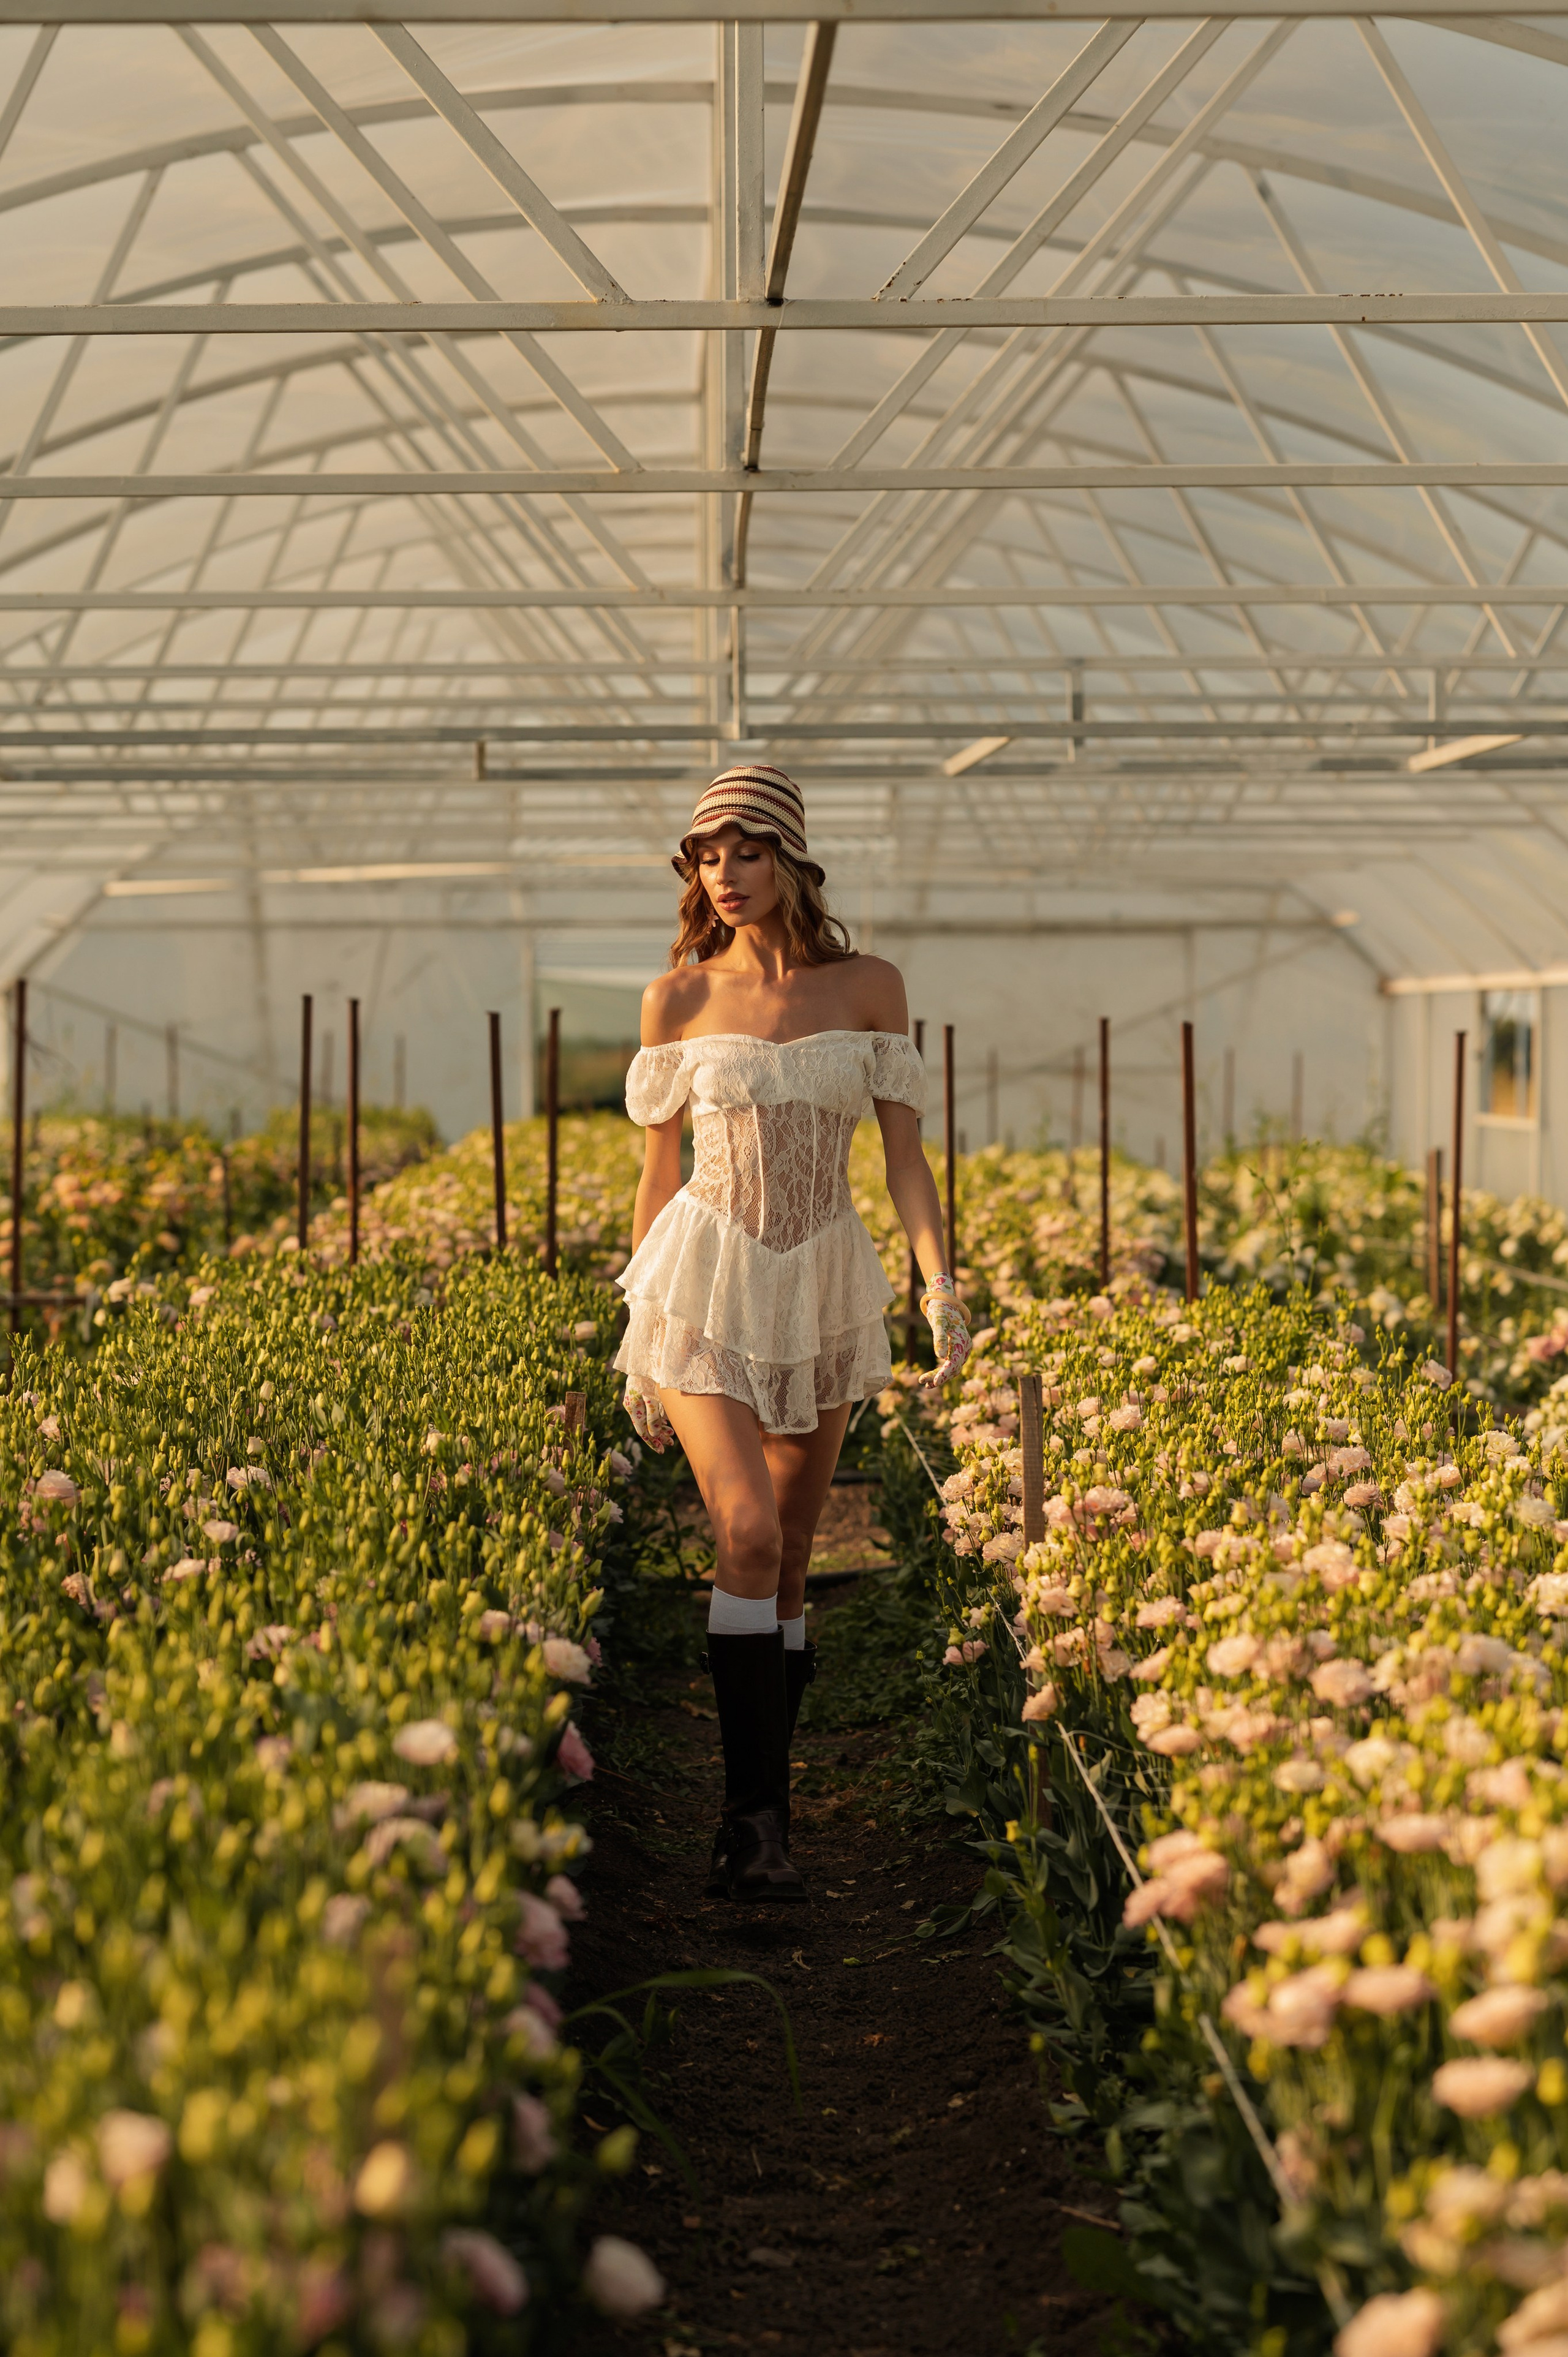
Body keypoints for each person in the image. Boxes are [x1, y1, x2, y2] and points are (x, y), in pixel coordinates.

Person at [614, 764, 971, 1904]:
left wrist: (939, 1283)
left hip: (823, 1278)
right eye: (706, 858)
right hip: (705, 1280)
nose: (724, 876)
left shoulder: (869, 988)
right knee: (750, 1533)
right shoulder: (674, 999)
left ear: (793, 859)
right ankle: (750, 1827)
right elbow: (657, 1174)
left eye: (746, 853)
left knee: (797, 1557)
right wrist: (638, 1325)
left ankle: (774, 1796)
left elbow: (906, 1156)